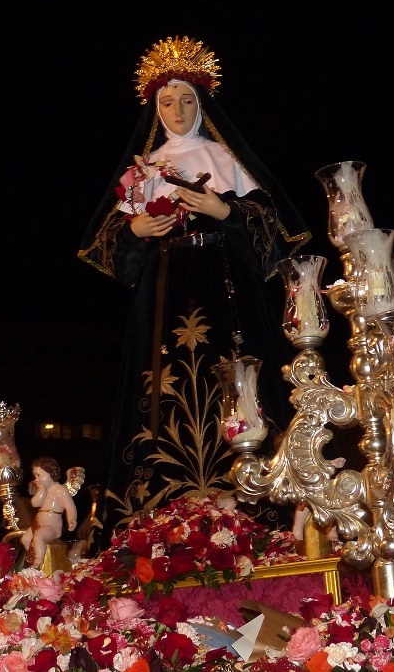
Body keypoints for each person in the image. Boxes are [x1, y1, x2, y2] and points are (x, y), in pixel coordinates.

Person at [78, 36, 315, 551]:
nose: (179, 110)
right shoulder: (146, 169)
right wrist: (135, 230)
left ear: (203, 104)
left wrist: (223, 212)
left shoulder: (223, 157)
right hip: (162, 294)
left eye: (188, 100)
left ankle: (250, 505)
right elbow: (110, 250)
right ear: (154, 108)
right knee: (158, 386)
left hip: (224, 286)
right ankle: (161, 515)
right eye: (168, 102)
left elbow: (272, 233)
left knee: (232, 379)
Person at [20, 456, 78, 568]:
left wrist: (71, 519)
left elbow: (70, 507)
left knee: (39, 536)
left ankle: (38, 561)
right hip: (38, 524)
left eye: (39, 475)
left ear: (50, 473)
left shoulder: (60, 490)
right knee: (25, 538)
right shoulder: (42, 489)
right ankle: (32, 556)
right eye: (35, 476)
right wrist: (42, 491)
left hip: (52, 527)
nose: (36, 479)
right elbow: (35, 503)